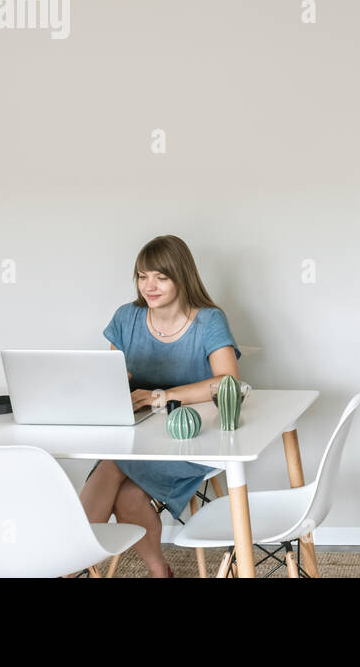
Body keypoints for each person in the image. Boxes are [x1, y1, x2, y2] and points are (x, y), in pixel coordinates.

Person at [79, 234, 241, 577]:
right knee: (127, 495)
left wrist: (162, 396)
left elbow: (228, 382)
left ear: (182, 277)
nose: (149, 286)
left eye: (160, 277)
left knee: (111, 464)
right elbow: (113, 380)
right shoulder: (127, 318)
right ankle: (158, 571)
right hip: (137, 436)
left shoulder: (208, 321)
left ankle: (69, 562)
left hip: (190, 438)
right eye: (142, 276)